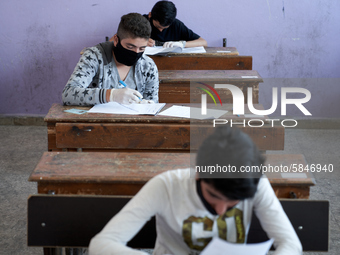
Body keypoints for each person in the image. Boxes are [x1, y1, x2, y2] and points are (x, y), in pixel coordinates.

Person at [88, 126, 302, 255]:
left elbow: (290, 243)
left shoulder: (254, 182)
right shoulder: (167, 186)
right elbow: (101, 244)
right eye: (214, 196)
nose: (221, 210)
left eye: (233, 202)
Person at [62, 13, 159, 106]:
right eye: (130, 47)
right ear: (116, 40)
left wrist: (148, 105)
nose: (136, 52)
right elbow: (68, 94)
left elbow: (152, 105)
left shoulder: (148, 66)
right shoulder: (94, 56)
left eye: (142, 48)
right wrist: (111, 95)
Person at [143, 1, 208, 48]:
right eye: (157, 26)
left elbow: (203, 42)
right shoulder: (140, 22)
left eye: (165, 28)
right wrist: (140, 42)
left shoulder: (176, 24)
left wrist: (182, 44)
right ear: (150, 15)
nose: (160, 30)